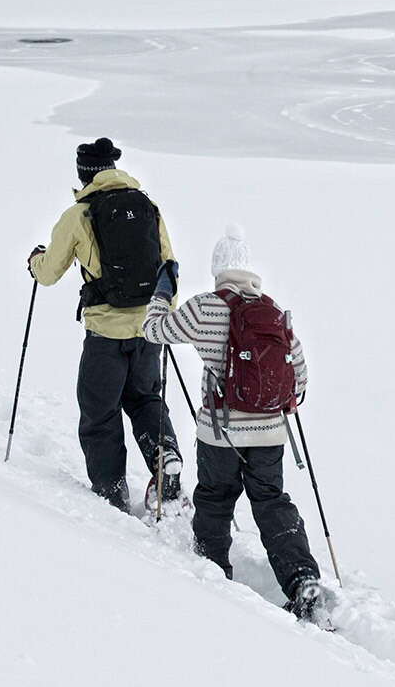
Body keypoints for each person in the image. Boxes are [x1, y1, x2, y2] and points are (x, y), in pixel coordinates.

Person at [143, 225, 323, 619]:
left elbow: (154, 331)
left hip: (220, 433)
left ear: (218, 270)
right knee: (272, 503)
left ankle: (213, 576)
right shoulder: (275, 313)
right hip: (271, 434)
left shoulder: (206, 306)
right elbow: (301, 379)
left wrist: (161, 293)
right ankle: (302, 580)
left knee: (215, 501)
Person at [27, 137, 181, 513]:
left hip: (105, 335)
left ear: (84, 174)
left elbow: (48, 275)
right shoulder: (148, 207)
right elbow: (168, 266)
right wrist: (163, 317)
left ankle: (111, 495)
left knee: (100, 413)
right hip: (148, 330)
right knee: (145, 399)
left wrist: (35, 261)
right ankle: (165, 457)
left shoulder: (78, 216)